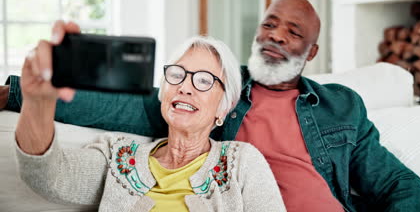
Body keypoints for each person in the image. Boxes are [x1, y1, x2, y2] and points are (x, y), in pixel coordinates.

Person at [2, 0, 420, 211]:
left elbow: (402, 186)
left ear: (312, 52)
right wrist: (22, 92)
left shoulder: (341, 107)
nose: (277, 35)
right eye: (270, 24)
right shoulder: (216, 91)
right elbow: (123, 109)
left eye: (293, 31)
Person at [14, 28, 286, 212]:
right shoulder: (119, 157)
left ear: (223, 110)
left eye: (204, 80)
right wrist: (38, 100)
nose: (185, 87)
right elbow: (49, 176)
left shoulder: (240, 162)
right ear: (163, 90)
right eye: (177, 74)